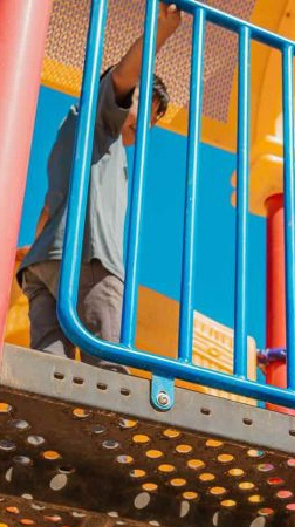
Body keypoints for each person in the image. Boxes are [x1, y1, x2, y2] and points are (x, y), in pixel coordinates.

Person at [16, 3, 182, 369]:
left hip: (44, 266)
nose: (145, 130)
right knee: (106, 374)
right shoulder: (103, 121)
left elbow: (49, 204)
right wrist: (159, 34)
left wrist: (33, 247)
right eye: (147, 116)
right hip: (90, 261)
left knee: (50, 372)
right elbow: (125, 74)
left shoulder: (73, 128)